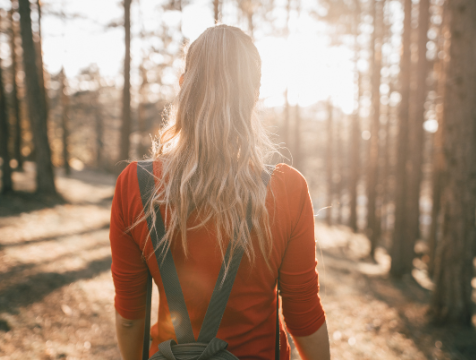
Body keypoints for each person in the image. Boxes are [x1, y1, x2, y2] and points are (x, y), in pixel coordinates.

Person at [109, 25, 330, 360]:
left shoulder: (135, 184)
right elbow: (303, 314)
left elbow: (129, 318)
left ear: (183, 86)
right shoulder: (288, 189)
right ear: (255, 95)